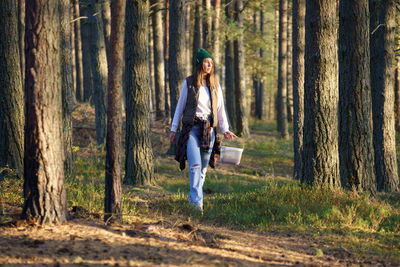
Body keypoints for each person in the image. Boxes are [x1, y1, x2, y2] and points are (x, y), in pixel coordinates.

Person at [169, 48, 237, 212]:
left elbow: (220, 110)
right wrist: (173, 129)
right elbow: (180, 107)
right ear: (200, 64)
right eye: (207, 62)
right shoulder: (189, 83)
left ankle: (195, 200)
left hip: (209, 131)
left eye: (211, 62)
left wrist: (225, 129)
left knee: (203, 169)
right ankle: (197, 205)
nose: (210, 65)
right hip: (192, 129)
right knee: (195, 166)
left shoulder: (215, 85)